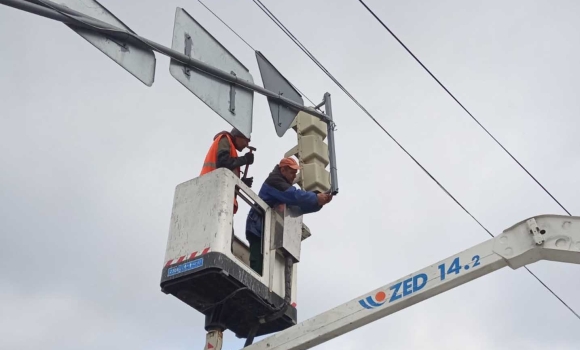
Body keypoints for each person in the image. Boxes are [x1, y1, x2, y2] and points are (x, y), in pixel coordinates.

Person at [245, 157, 333, 274]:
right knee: (258, 262)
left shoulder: (282, 186)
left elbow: (298, 207)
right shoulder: (274, 182)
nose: (294, 176)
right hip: (257, 228)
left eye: (295, 173)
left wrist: (318, 203)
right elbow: (294, 196)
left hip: (265, 228)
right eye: (292, 173)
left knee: (266, 265)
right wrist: (316, 198)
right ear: (283, 170)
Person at [200, 128, 254, 214]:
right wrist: (244, 159)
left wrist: (240, 183)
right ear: (238, 136)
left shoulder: (231, 148)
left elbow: (227, 178)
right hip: (213, 191)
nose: (247, 145)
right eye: (246, 141)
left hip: (220, 196)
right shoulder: (225, 139)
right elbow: (223, 164)